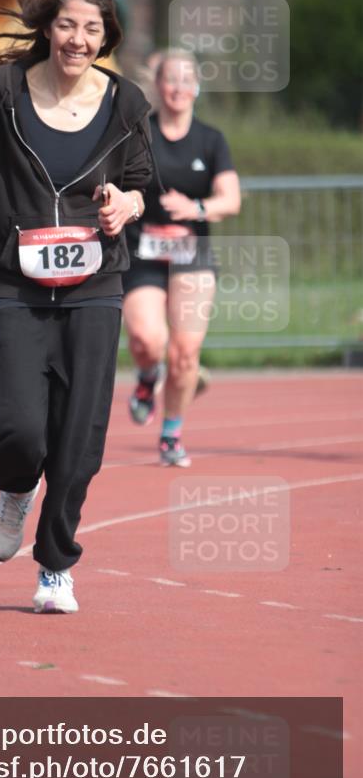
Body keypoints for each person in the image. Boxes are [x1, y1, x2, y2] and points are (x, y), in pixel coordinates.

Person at [0, 0, 154, 614]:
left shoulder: (124, 102)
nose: (76, 40)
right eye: (65, 25)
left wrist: (126, 205)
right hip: (15, 282)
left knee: (80, 437)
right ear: (47, 27)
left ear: (106, 36)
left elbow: (141, 185)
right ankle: (14, 487)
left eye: (90, 29)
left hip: (95, 283)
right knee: (18, 429)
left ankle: (55, 565)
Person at [123, 49, 241, 467]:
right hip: (143, 253)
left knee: (185, 353)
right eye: (170, 79)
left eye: (185, 79)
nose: (177, 87)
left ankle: (171, 433)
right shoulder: (140, 134)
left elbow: (231, 198)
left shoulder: (211, 140)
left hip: (192, 254)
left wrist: (198, 209)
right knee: (147, 341)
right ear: (158, 86)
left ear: (197, 87)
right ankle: (146, 377)